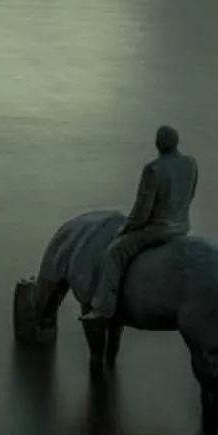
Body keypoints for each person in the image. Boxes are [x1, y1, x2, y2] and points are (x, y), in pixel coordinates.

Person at [81, 125, 198, 321]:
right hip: (182, 227)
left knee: (114, 252)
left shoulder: (153, 169)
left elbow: (142, 212)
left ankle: (104, 308)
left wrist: (126, 228)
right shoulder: (191, 163)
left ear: (157, 144)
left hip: (157, 231)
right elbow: (190, 194)